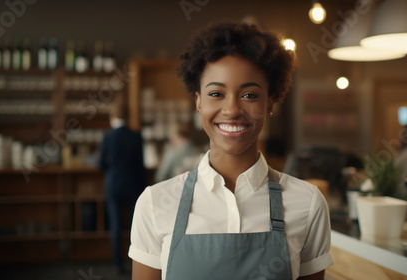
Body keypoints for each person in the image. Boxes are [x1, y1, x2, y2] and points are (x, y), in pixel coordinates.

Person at [129, 22, 333, 280]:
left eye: (249, 95)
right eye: (216, 93)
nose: (232, 109)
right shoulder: (154, 203)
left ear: (270, 103)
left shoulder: (308, 203)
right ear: (199, 102)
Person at [98, 104, 147, 274]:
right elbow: (141, 165)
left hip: (114, 187)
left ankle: (117, 264)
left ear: (112, 116)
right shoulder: (135, 136)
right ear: (127, 116)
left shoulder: (107, 137)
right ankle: (138, 263)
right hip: (134, 186)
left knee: (116, 225)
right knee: (137, 227)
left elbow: (100, 164)